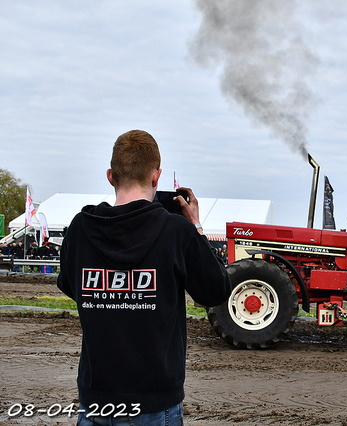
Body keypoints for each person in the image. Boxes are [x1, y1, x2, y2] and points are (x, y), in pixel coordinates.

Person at [57, 129, 231, 425]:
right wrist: (197, 227)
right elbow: (216, 290)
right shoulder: (177, 232)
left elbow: (72, 286)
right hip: (154, 400)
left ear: (111, 176)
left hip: (96, 399)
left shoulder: (80, 229)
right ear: (156, 177)